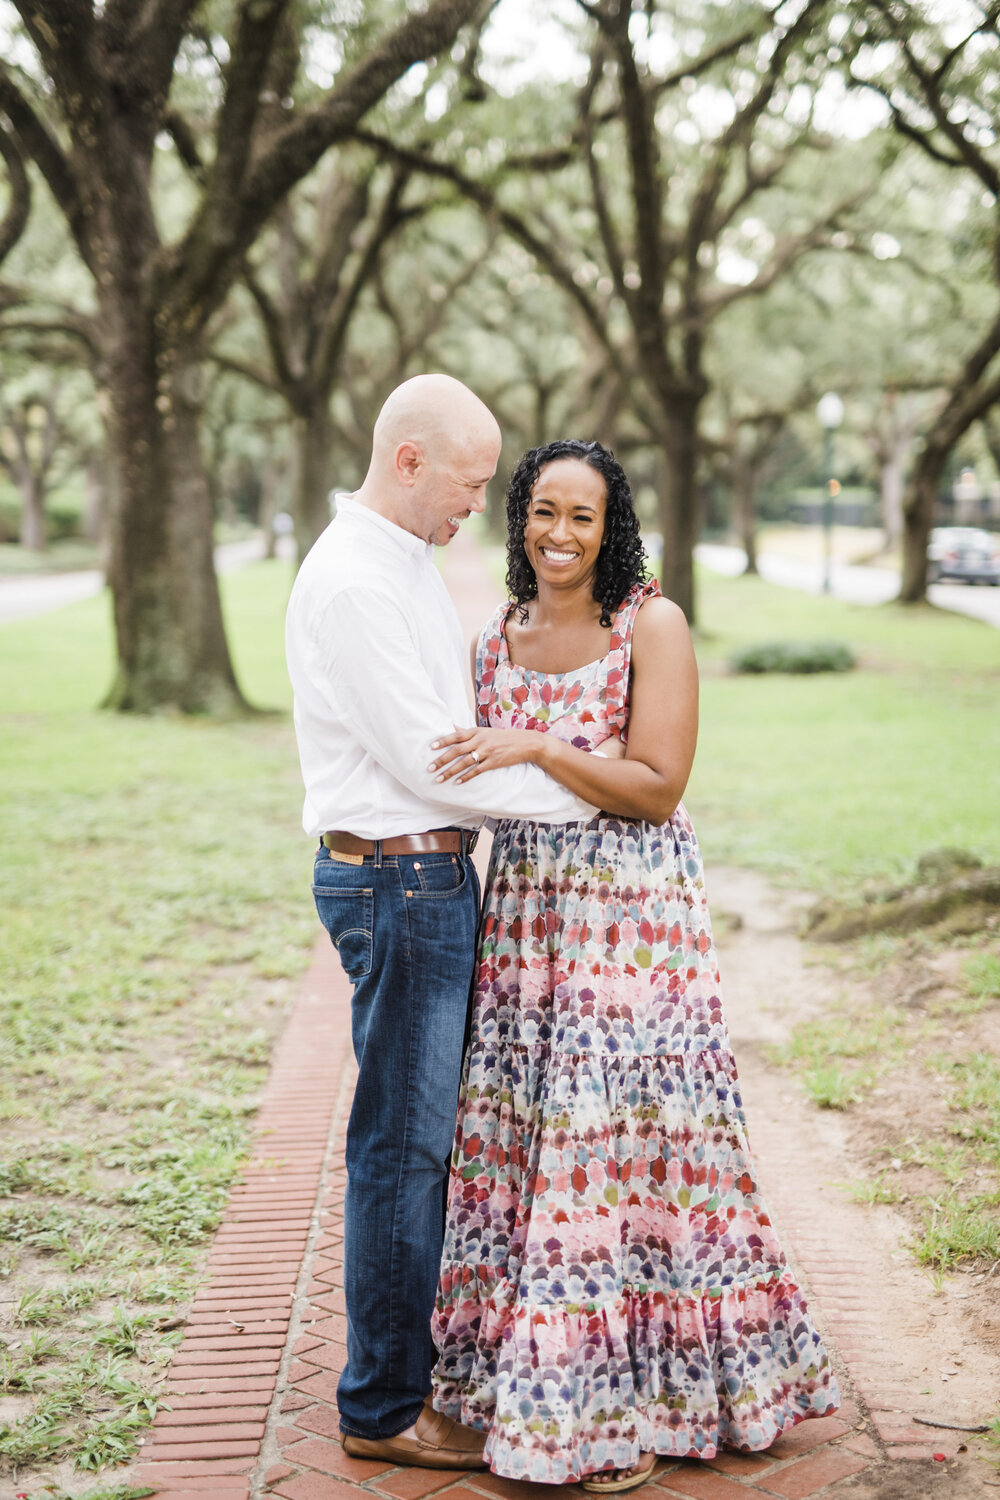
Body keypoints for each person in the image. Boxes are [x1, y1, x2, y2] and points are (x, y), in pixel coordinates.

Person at [427, 438, 839, 1490]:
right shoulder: (495, 637)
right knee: (532, 1149)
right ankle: (526, 1382)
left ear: (614, 529)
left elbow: (656, 784)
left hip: (632, 925)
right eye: (544, 512)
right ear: (519, 517)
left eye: (584, 517)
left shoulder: (647, 623)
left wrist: (534, 747)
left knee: (625, 1152)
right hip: (525, 924)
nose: (561, 535)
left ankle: (632, 1408)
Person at [284, 377, 605, 1470]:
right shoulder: (355, 585)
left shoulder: (401, 563)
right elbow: (441, 765)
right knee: (401, 1154)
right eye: (473, 482)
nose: (482, 504)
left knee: (420, 1146)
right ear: (411, 461)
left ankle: (403, 1380)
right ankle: (380, 1409)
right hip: (398, 884)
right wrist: (598, 791)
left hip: (424, 883)